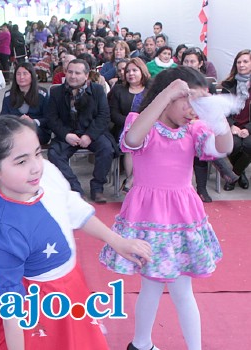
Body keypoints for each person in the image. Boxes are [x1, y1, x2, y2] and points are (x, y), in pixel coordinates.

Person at [0, 116, 151, 350]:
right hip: (36, 308)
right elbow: (11, 311)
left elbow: (72, 208)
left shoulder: (46, 173)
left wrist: (117, 242)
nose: (35, 166)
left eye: (37, 153)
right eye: (21, 162)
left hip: (70, 287)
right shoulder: (5, 232)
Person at [100, 66, 232, 350]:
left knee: (181, 288)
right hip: (148, 218)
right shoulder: (141, 122)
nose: (193, 110)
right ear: (168, 95)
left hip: (182, 216)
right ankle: (142, 343)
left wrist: (216, 115)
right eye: (188, 100)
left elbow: (223, 147)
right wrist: (168, 93)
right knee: (152, 284)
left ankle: (146, 344)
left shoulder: (195, 129)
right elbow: (132, 140)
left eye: (199, 103)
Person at [46, 59, 115, 203]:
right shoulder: (56, 92)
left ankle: (97, 188)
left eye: (77, 73)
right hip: (67, 133)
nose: (72, 76)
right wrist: (66, 135)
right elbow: (52, 118)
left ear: (86, 75)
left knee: (107, 148)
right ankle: (75, 189)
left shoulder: (97, 90)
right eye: (70, 72)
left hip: (91, 132)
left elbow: (104, 116)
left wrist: (90, 135)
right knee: (54, 153)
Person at [181, 48, 239, 201]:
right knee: (201, 137)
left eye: (192, 61)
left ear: (200, 63)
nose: (189, 64)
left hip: (202, 124)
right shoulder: (177, 83)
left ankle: (201, 189)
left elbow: (212, 109)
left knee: (203, 136)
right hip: (182, 124)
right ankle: (225, 170)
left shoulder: (207, 84)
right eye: (186, 61)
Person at [108, 58, 151, 192]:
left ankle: (131, 180)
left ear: (142, 71)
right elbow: (113, 113)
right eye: (128, 71)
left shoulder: (151, 90)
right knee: (131, 141)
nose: (130, 74)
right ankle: (132, 180)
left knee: (147, 140)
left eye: (134, 70)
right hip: (124, 127)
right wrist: (130, 124)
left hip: (149, 127)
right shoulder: (118, 90)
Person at [221, 49, 251, 191]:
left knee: (249, 145)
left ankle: (234, 175)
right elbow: (221, 111)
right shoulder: (228, 85)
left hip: (249, 127)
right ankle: (241, 173)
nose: (241, 65)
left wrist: (248, 129)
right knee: (234, 144)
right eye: (238, 62)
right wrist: (231, 125)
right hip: (231, 127)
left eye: (245, 61)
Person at [1, 62, 51, 144]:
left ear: (32, 76)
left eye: (25, 74)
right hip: (15, 129)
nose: (21, 77)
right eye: (18, 74)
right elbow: (3, 118)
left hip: (38, 131)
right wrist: (17, 122)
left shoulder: (42, 94)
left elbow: (48, 118)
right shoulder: (8, 95)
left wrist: (33, 122)